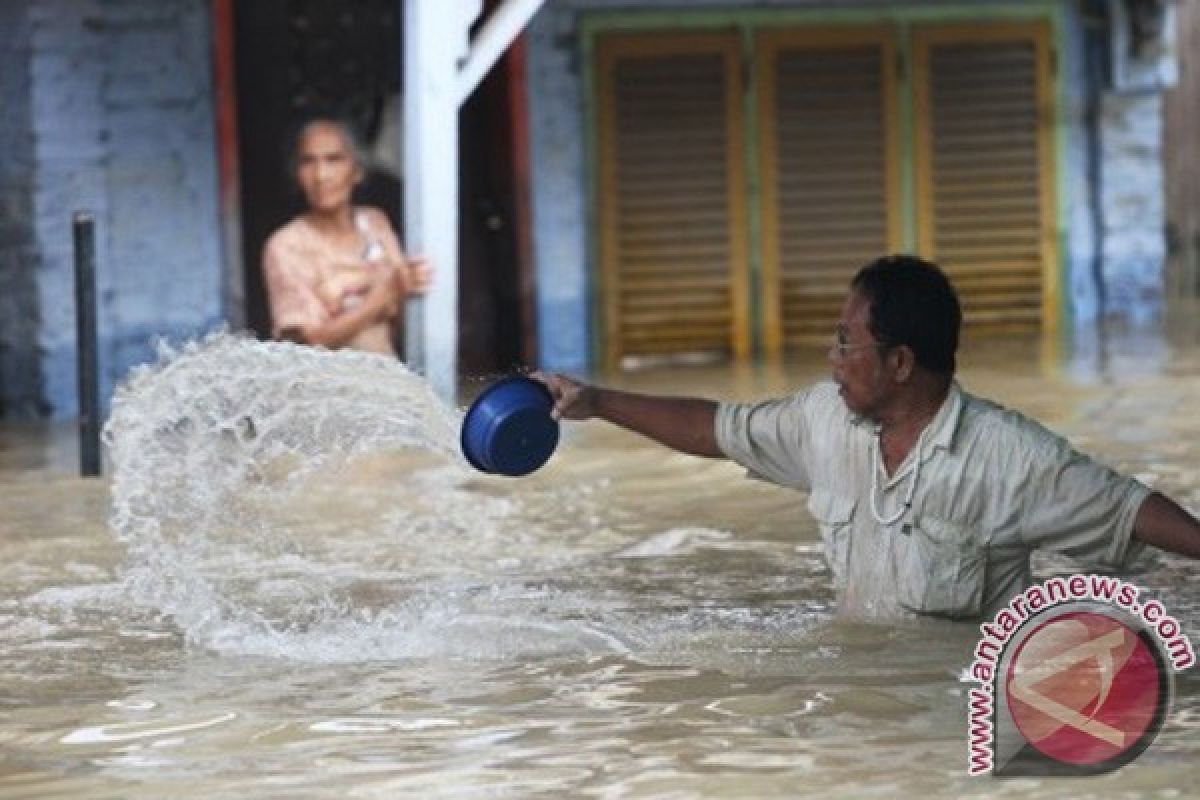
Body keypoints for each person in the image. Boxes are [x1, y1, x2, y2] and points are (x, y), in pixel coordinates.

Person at [536, 255, 1200, 621]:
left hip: (954, 706)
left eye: (847, 344)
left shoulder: (1009, 457)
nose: (832, 358)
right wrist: (597, 402)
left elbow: (1129, 510)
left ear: (900, 362)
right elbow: (718, 429)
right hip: (859, 703)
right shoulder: (825, 420)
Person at [262, 118, 432, 356]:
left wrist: (359, 284)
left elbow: (404, 296)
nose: (321, 175)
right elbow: (309, 342)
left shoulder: (374, 223)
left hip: (388, 376)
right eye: (308, 162)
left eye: (334, 159)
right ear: (297, 174)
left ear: (357, 171)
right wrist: (383, 295)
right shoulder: (286, 245)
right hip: (331, 387)